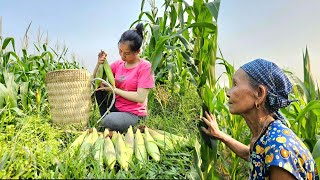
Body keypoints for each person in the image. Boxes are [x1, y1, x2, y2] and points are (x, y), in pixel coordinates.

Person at [201, 59, 319, 179]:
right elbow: (251, 154)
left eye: (235, 84)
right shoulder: (265, 135)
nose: (228, 93)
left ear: (259, 93)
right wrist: (219, 134)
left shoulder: (279, 150)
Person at [93, 23, 155, 132]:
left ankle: (109, 121)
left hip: (134, 114)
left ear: (137, 52)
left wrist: (114, 90)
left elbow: (140, 97)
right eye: (120, 51)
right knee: (99, 88)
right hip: (117, 108)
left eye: (127, 53)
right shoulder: (118, 64)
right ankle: (106, 118)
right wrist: (99, 64)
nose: (122, 56)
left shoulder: (145, 67)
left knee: (110, 121)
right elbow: (95, 80)